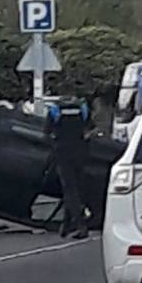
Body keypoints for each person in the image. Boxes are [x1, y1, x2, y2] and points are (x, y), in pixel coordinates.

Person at [46, 96, 90, 239]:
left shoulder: (55, 109)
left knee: (69, 189)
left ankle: (80, 225)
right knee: (76, 187)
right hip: (80, 151)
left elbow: (47, 132)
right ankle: (66, 225)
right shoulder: (81, 108)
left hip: (63, 152)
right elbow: (89, 128)